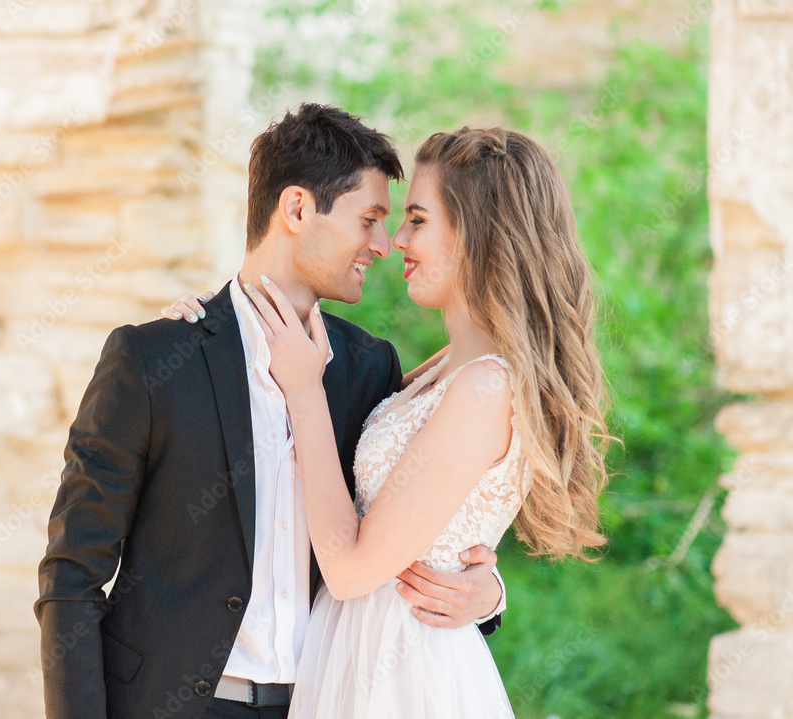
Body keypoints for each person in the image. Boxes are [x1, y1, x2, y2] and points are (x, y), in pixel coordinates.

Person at [34, 104, 507, 719]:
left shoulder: (370, 369)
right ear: (297, 210)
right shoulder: (154, 359)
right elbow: (71, 576)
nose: (383, 245)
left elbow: (403, 529)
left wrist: (489, 595)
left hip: (324, 703)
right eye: (369, 219)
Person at [175, 126, 611, 717]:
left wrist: (304, 391)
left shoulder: (485, 386)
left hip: (405, 671)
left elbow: (353, 571)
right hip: (351, 655)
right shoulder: (438, 371)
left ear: (479, 234)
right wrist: (210, 329)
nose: (396, 240)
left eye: (418, 220)